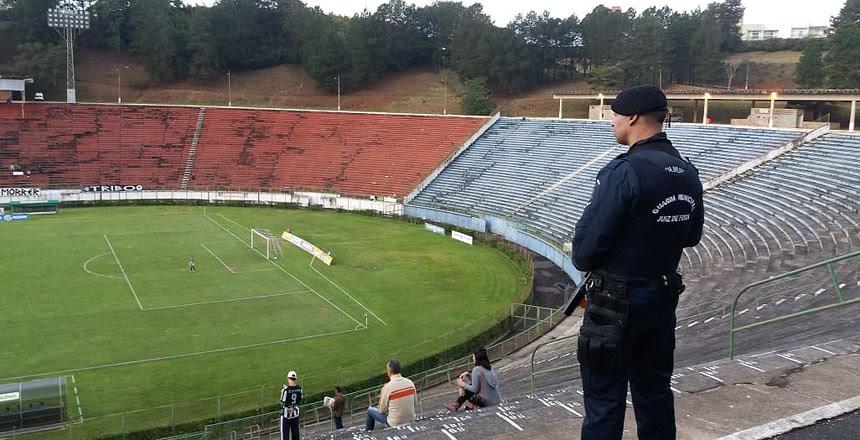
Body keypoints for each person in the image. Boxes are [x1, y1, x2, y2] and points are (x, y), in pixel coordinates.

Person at [571, 85, 704, 440]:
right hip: (661, 300)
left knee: (604, 403)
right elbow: (691, 236)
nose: (612, 121)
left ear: (632, 117)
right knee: (655, 394)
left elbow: (584, 252)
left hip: (614, 307)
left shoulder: (624, 171)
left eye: (614, 114)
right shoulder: (687, 171)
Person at [365, 360, 416, 431]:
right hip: (411, 419)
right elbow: (415, 403)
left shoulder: (388, 387)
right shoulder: (410, 382)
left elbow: (381, 411)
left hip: (395, 422)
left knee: (370, 410)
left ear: (389, 371)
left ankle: (367, 433)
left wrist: (383, 391)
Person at [445, 347, 500, 411]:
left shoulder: (476, 369)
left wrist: (462, 384)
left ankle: (457, 406)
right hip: (496, 400)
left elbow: (474, 389)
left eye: (473, 357)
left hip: (486, 402)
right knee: (470, 386)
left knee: (469, 392)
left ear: (477, 358)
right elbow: (481, 383)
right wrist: (468, 375)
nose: (472, 358)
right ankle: (456, 405)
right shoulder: (489, 368)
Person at [280, 370, 303, 440]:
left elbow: (282, 403)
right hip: (295, 414)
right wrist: (294, 406)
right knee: (296, 434)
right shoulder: (300, 389)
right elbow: (300, 400)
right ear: (295, 379)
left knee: (285, 435)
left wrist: (288, 406)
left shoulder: (286, 390)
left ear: (289, 378)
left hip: (286, 415)